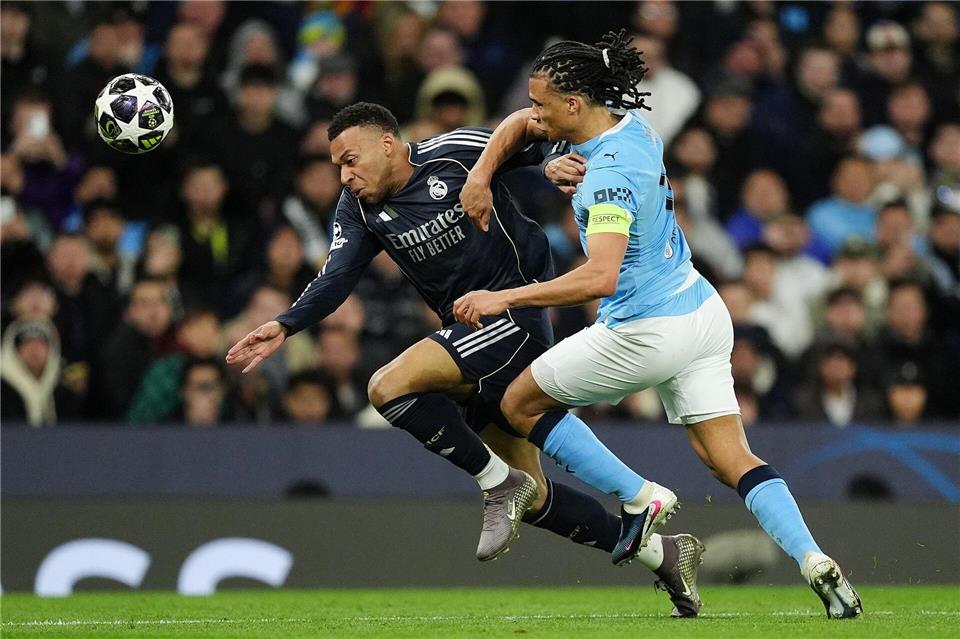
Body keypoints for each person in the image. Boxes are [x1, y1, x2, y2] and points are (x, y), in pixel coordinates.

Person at [226, 101, 705, 617]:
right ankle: (666, 554)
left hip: (513, 311)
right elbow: (338, 274)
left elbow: (532, 128)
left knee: (387, 387)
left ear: (387, 143)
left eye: (351, 159)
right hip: (467, 330)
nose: (345, 176)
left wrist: (551, 164)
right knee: (539, 498)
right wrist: (285, 323)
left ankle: (497, 483)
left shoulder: (454, 155)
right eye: (337, 166)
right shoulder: (359, 210)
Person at [454, 30, 861, 619]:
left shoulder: (607, 179)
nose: (533, 113)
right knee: (729, 459)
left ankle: (640, 499)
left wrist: (503, 298)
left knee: (519, 406)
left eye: (544, 104)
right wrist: (487, 173)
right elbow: (519, 123)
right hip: (701, 311)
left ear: (573, 104)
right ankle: (816, 563)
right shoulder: (634, 130)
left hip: (646, 330)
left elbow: (599, 278)